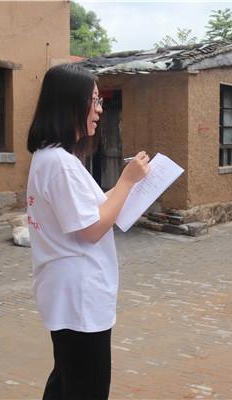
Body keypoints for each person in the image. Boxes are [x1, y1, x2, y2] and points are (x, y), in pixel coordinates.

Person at [26, 63, 150, 399]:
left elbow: (90, 209)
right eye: (94, 100)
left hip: (68, 295)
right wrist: (127, 181)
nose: (99, 109)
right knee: (86, 388)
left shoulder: (51, 157)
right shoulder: (60, 164)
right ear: (70, 104)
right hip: (79, 297)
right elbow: (91, 228)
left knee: (65, 382)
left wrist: (128, 189)